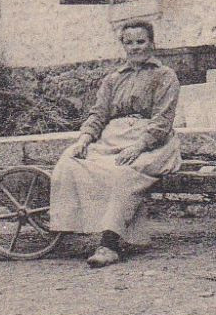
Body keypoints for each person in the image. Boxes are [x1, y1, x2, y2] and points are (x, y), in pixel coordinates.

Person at [49, 21, 182, 268]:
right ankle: (71, 227)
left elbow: (163, 120)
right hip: (112, 138)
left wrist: (139, 146)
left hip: (153, 142)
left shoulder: (165, 76)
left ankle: (109, 243)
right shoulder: (113, 79)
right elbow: (98, 114)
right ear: (123, 46)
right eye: (129, 43)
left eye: (140, 42)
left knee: (123, 173)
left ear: (152, 43)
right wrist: (84, 139)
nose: (135, 48)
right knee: (71, 160)